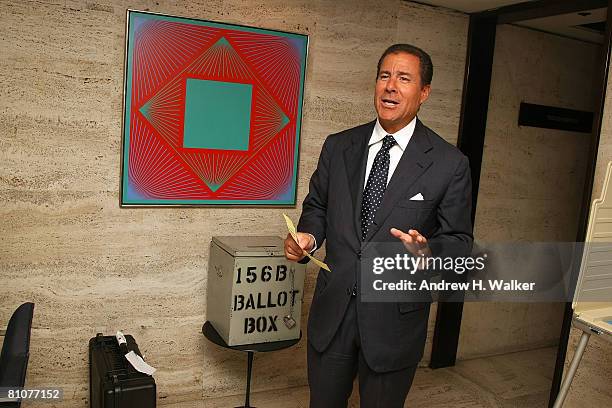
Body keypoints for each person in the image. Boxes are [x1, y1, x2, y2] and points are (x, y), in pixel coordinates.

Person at [284, 44, 473, 408]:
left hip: (394, 323)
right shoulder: (338, 146)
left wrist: (427, 251)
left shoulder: (449, 164)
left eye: (404, 78)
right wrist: (308, 236)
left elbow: (459, 241)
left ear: (424, 93)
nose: (391, 86)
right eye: (385, 76)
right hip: (333, 313)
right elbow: (318, 206)